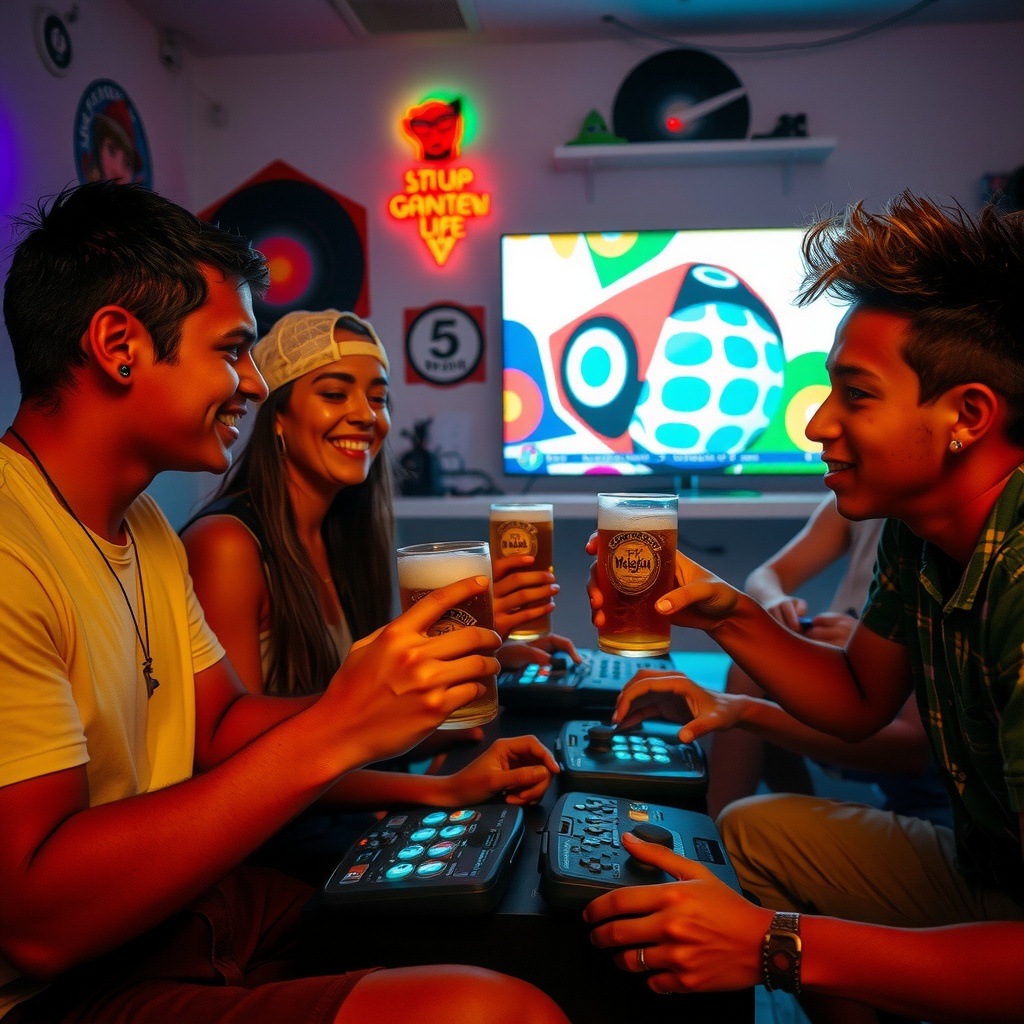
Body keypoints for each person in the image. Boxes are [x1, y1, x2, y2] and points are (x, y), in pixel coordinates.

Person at [0, 181, 570, 1024]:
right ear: (119, 345)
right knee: (495, 1010)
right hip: (62, 984)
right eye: (231, 351)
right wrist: (342, 725)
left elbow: (221, 724)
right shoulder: (14, 547)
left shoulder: (146, 527)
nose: (249, 384)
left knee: (521, 921)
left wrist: (393, 707)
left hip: (178, 913)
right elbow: (36, 926)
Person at [582, 192, 1024, 1023]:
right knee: (749, 829)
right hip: (991, 868)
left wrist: (770, 944)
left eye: (855, 395)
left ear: (967, 414)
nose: (818, 422)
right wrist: (721, 612)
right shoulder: (916, 529)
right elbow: (860, 701)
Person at [179, 308, 568, 881]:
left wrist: (483, 654)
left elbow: (349, 725)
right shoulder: (227, 544)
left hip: (323, 821)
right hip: (270, 859)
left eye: (379, 398)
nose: (366, 416)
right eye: (336, 393)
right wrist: (440, 790)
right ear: (278, 415)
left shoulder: (340, 536)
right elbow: (237, 757)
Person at [703, 493, 950, 825]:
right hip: (851, 690)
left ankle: (727, 831)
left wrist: (871, 647)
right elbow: (766, 576)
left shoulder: (934, 535)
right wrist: (775, 600)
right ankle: (736, 824)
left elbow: (912, 748)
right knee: (751, 670)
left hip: (920, 752)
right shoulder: (860, 503)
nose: (818, 438)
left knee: (750, 683)